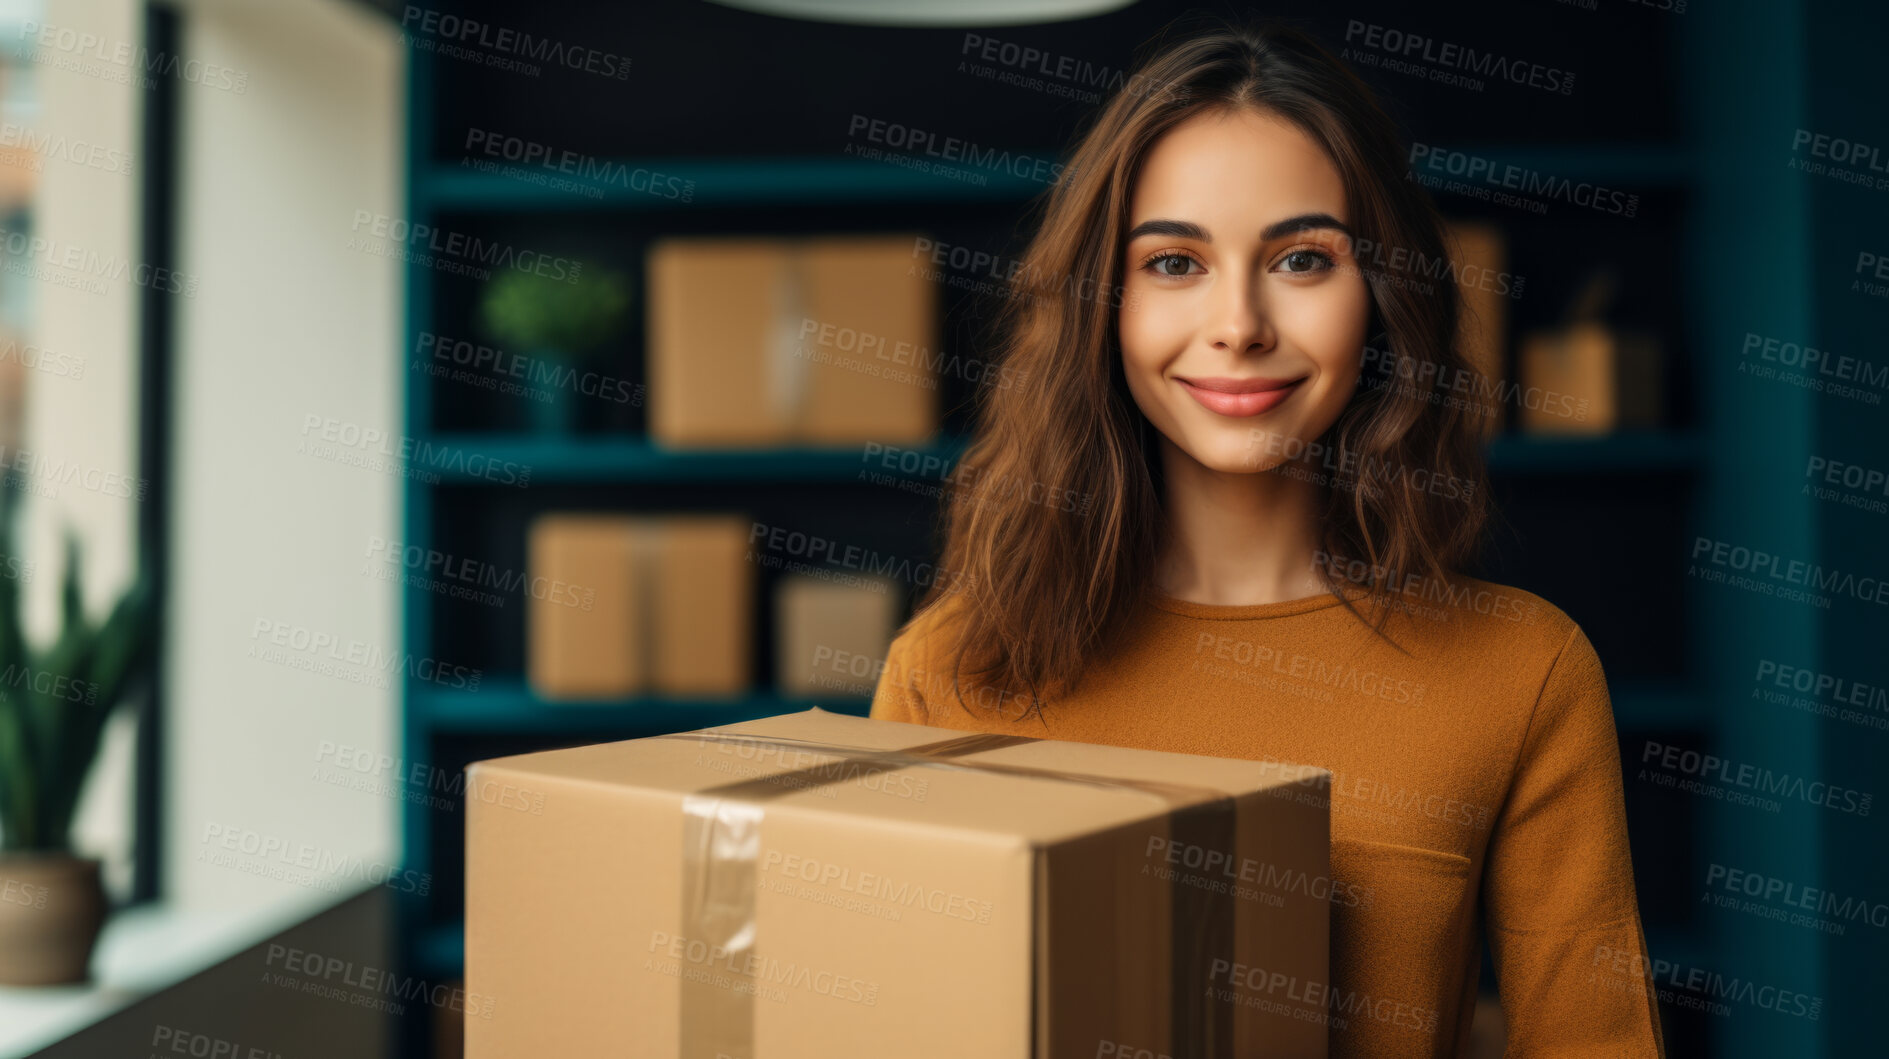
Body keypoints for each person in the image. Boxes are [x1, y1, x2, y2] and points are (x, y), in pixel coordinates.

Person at [868, 18, 1667, 1058]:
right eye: (1171, 263)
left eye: (1299, 258)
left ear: (1379, 298)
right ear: (1099, 309)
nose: (1237, 323)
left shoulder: (1520, 671)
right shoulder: (949, 669)